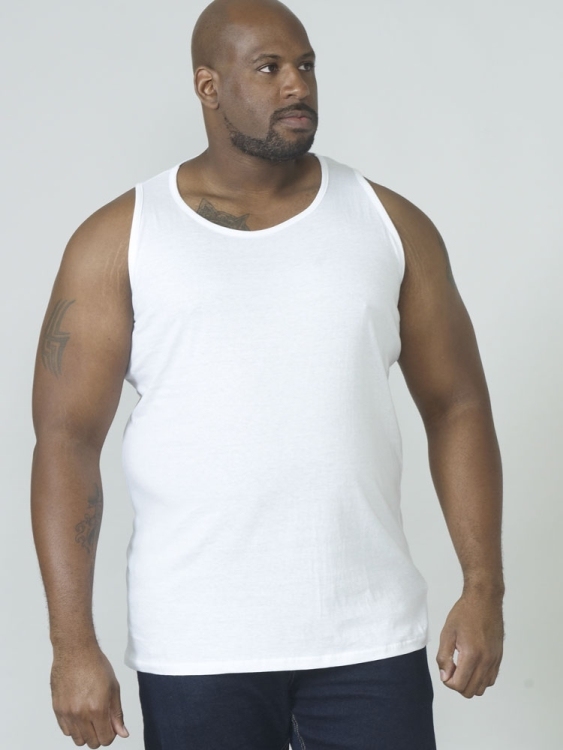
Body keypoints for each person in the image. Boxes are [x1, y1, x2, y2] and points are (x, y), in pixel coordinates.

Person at [30, 0, 505, 748]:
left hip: (368, 639)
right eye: (269, 67)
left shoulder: (389, 225)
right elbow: (64, 441)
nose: (297, 85)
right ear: (208, 86)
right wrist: (72, 645)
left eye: (306, 65)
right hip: (197, 645)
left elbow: (458, 406)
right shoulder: (121, 239)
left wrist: (483, 588)